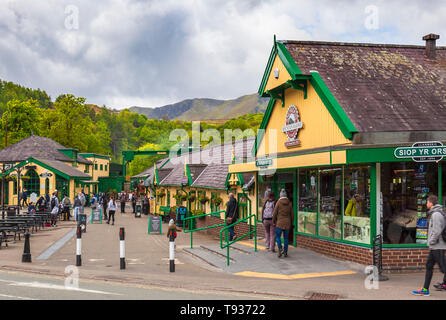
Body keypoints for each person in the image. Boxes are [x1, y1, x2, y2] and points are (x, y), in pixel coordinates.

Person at [412, 195, 446, 296]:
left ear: (431, 203)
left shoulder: (436, 214)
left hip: (438, 246)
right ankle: (425, 289)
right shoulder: (436, 213)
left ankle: (425, 289)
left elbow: (437, 231)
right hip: (435, 246)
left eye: (427, 202)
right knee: (429, 266)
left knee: (443, 268)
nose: (426, 204)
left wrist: (431, 241)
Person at [272, 189, 294, 258]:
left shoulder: (278, 202)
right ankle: (285, 252)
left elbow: (275, 213)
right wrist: (291, 222)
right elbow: (292, 214)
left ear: (280, 195)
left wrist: (273, 221)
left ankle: (280, 248)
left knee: (278, 237)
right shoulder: (289, 203)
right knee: (286, 238)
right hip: (287, 223)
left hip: (279, 223)